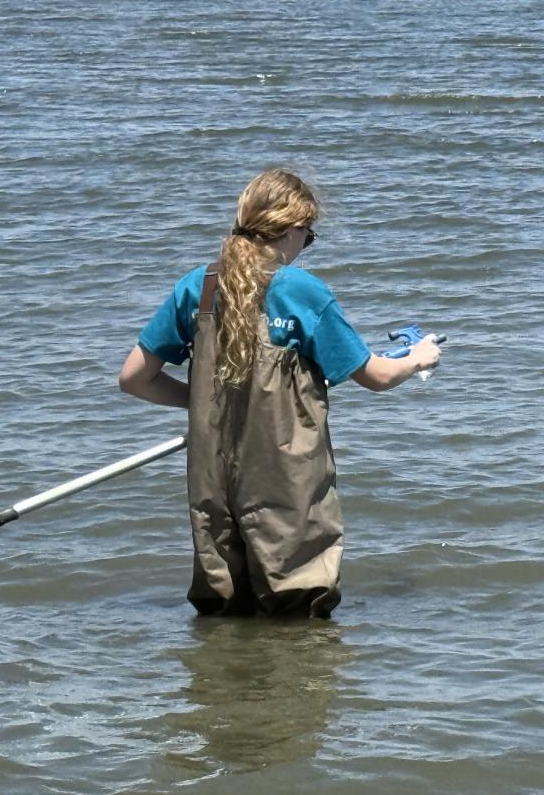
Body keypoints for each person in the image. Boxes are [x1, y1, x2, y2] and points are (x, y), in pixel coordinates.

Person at [119, 169, 441, 618]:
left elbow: (135, 378)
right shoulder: (300, 291)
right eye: (308, 238)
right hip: (285, 476)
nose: (304, 248)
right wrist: (418, 358)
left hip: (215, 478)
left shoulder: (199, 287)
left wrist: (202, 406)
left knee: (224, 609)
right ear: (292, 228)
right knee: (298, 610)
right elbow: (377, 376)